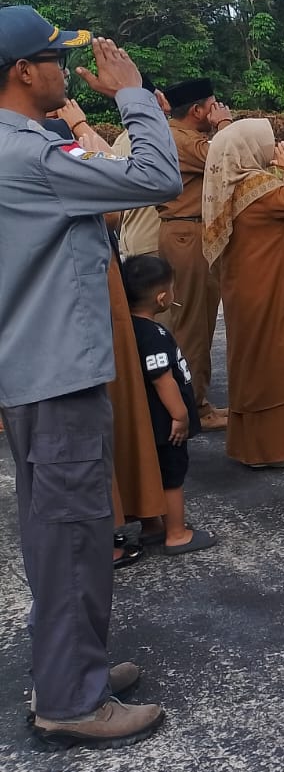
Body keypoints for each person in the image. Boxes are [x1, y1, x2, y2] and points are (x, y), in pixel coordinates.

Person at [0, 8, 179, 745]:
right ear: (21, 71)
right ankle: (72, 702)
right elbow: (156, 176)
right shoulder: (25, 155)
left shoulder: (23, 149)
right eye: (55, 59)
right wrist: (132, 94)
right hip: (54, 374)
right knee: (73, 533)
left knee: (57, 532)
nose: (65, 71)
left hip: (35, 370)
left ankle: (73, 668)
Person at [43, 104, 170, 541]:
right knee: (105, 419)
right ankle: (118, 526)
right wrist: (79, 128)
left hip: (58, 318)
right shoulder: (57, 161)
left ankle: (127, 517)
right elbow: (125, 180)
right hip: (93, 305)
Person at [202, 119, 284, 468]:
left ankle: (253, 448)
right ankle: (276, 448)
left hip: (242, 288)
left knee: (250, 360)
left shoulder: (229, 186)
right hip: (270, 288)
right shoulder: (260, 187)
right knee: (275, 361)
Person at [123, 255, 215, 556]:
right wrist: (180, 415)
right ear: (162, 298)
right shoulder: (155, 335)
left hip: (143, 422)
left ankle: (151, 525)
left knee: (150, 471)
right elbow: (162, 379)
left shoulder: (127, 331)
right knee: (172, 478)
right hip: (165, 424)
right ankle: (176, 533)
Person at [158, 77, 234, 430]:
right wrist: (224, 125)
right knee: (193, 325)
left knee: (200, 321)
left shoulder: (178, 135)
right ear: (197, 111)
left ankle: (199, 401)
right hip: (187, 233)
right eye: (212, 105)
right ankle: (195, 409)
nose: (217, 109)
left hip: (191, 232)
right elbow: (227, 160)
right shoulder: (183, 139)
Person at [109, 75, 169, 258]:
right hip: (157, 242)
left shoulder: (119, 142)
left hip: (130, 243)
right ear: (158, 99)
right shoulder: (167, 136)